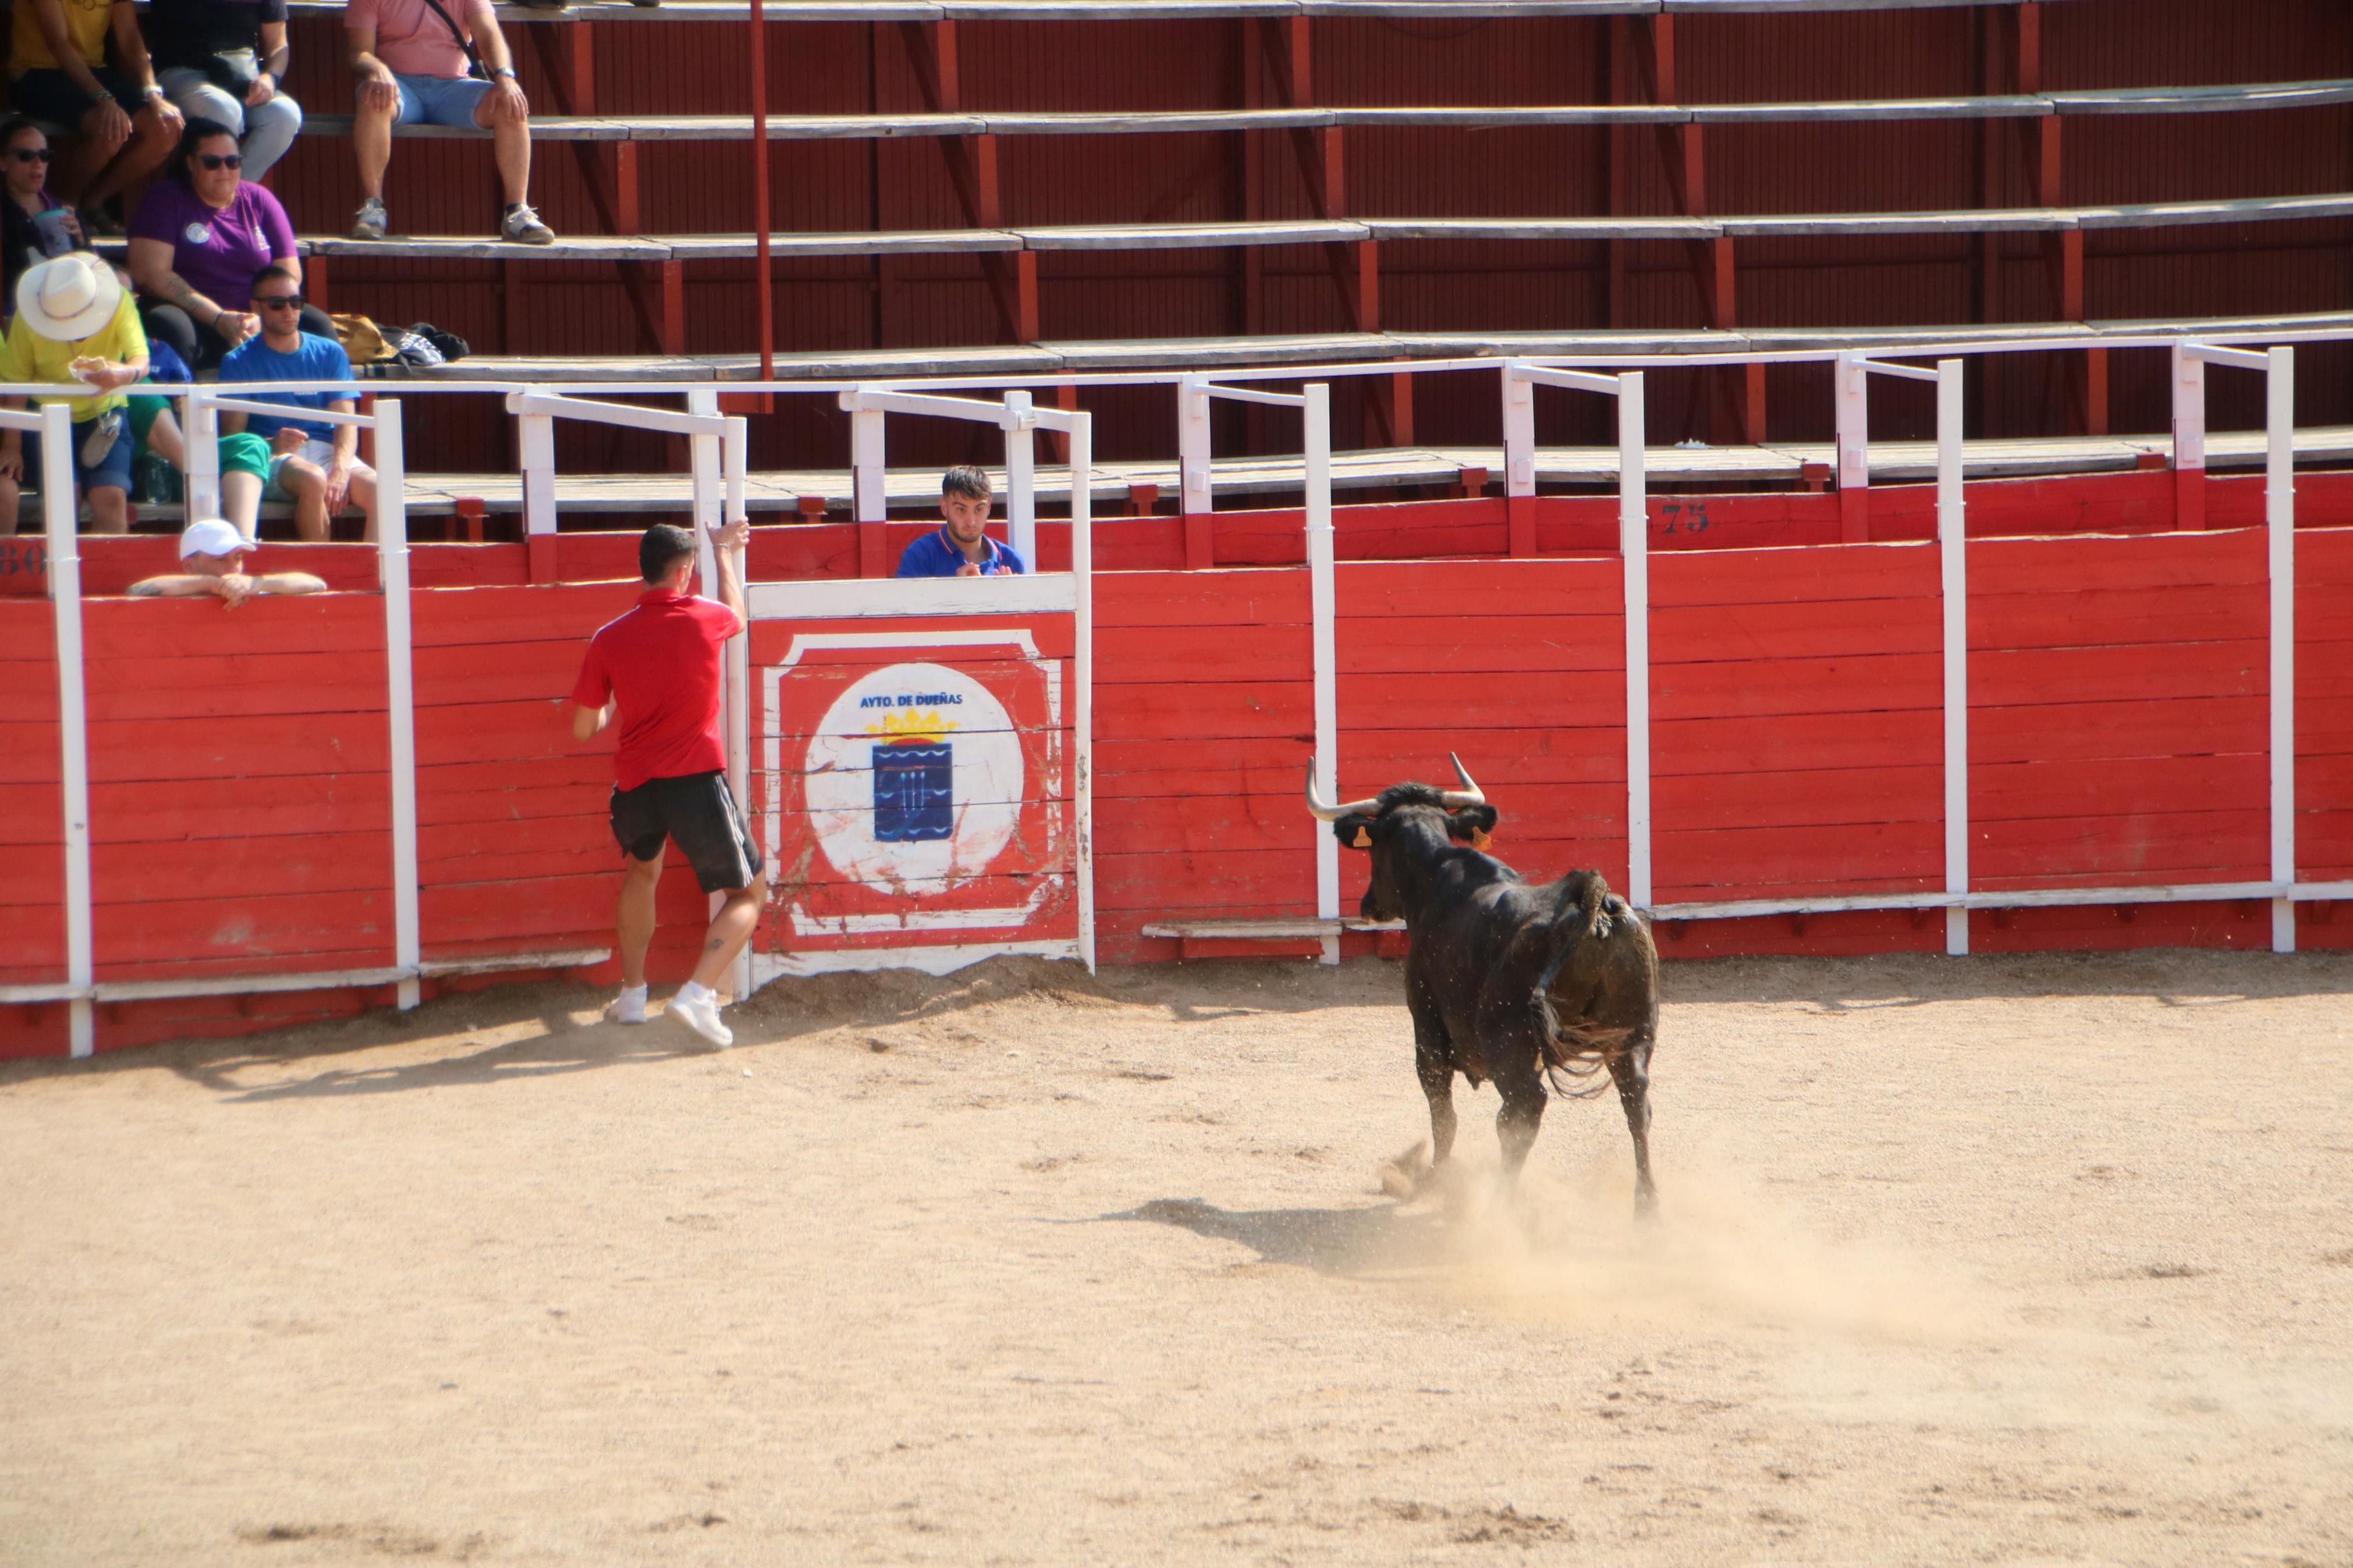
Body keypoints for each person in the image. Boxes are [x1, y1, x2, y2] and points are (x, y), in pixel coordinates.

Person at [569, 521, 764, 1049]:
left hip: (635, 782)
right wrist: (724, 553)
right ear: (683, 573)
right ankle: (698, 994)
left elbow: (584, 728)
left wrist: (612, 706)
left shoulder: (608, 636)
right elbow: (737, 614)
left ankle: (632, 995)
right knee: (750, 892)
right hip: (694, 776)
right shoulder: (705, 617)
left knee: (641, 873)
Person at [127, 118, 333, 375]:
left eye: (233, 162)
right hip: (195, 315)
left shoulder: (260, 200)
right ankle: (178, 410)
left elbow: (289, 273)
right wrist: (218, 318)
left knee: (319, 326)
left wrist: (264, 317)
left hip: (257, 315)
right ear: (191, 163)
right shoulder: (166, 199)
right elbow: (151, 274)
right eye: (213, 163)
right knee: (172, 327)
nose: (224, 170)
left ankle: (331, 412)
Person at [345, 0, 553, 244]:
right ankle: (373, 208)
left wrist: (505, 76)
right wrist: (376, 69)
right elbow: (358, 51)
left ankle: (517, 211)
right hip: (399, 87)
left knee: (510, 103)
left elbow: (489, 34)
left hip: (454, 87)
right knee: (371, 98)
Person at [217, 265, 379, 541]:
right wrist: (271, 442)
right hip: (274, 456)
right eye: (278, 304)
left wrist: (341, 469)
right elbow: (234, 438)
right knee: (313, 478)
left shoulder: (329, 351)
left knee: (381, 488)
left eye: (296, 303)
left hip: (328, 451)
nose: (289, 311)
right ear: (256, 307)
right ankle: (321, 575)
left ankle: (377, 577)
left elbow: (347, 422)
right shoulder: (238, 361)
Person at [0, 252, 148, 534]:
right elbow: (15, 382)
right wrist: (12, 447)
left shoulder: (121, 301)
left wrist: (125, 373)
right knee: (64, 496)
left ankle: (106, 576)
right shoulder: (26, 318)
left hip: (106, 413)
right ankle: (59, 574)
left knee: (112, 497)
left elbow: (140, 358)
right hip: (46, 417)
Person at [6, 0, 183, 226]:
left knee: (167, 129)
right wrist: (103, 98)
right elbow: (58, 42)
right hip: (37, 73)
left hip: (94, 71)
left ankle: (94, 202)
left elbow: (129, 35)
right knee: (108, 127)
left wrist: (153, 93)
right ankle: (66, 212)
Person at [145, 0, 304, 183]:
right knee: (225, 111)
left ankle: (232, 194)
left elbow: (278, 44)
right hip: (182, 71)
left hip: (240, 75)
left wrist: (270, 78)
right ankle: (213, 197)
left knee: (285, 115)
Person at [0, 119, 84, 325]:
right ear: (2, 161)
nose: (38, 164)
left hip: (65, 312)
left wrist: (81, 241)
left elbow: (93, 271)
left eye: (45, 156)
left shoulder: (62, 210)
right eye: (26, 156)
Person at [129, 515, 324, 603]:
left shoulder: (248, 589)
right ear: (189, 566)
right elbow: (137, 591)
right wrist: (210, 584)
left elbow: (317, 584)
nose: (233, 568)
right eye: (221, 559)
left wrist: (256, 583)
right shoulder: (176, 593)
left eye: (238, 558)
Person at [895, 465, 1027, 577]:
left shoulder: (1012, 560)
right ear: (944, 507)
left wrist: (1009, 597)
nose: (971, 522)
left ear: (989, 507)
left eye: (979, 509)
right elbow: (904, 606)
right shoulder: (921, 555)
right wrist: (957, 591)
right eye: (961, 510)